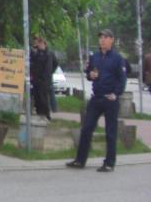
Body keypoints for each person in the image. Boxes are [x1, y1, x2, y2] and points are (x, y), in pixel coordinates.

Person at [67, 29, 128, 172]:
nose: (102, 40)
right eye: (101, 37)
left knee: (110, 132)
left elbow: (122, 79)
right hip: (97, 97)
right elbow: (88, 72)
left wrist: (116, 94)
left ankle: (109, 163)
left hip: (110, 99)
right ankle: (80, 160)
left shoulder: (118, 58)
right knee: (87, 128)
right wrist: (90, 75)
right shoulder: (95, 56)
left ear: (112, 40)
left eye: (105, 37)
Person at [29, 36, 59, 119]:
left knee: (44, 98)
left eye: (40, 43)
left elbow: (55, 63)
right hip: (36, 79)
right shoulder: (37, 53)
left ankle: (46, 115)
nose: (39, 45)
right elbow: (33, 62)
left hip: (45, 80)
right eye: (38, 43)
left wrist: (50, 73)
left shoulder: (49, 53)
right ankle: (39, 113)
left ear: (44, 44)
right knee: (37, 98)